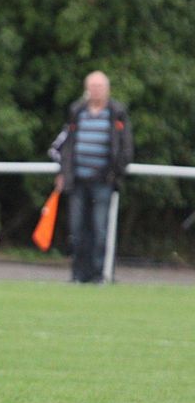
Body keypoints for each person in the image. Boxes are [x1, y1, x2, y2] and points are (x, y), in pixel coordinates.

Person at [49, 70, 133, 284]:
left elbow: (125, 148)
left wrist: (115, 172)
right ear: (87, 89)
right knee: (77, 230)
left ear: (107, 89)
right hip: (77, 180)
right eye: (93, 86)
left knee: (100, 230)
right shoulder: (77, 111)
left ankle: (98, 275)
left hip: (103, 181)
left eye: (100, 87)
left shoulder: (117, 112)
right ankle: (78, 275)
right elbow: (66, 145)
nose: (96, 91)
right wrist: (64, 172)